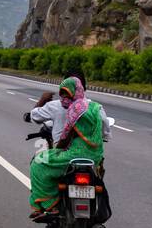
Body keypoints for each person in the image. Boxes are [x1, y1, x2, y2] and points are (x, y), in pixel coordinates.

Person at [29, 76, 105, 218]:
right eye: (62, 94)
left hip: (74, 154)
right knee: (99, 177)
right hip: (95, 156)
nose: (64, 98)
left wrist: (59, 148)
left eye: (66, 93)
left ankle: (48, 204)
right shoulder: (96, 107)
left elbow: (66, 135)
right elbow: (106, 131)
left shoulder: (75, 108)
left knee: (39, 162)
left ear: (75, 91)